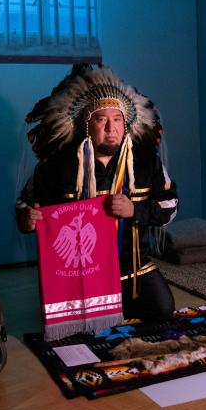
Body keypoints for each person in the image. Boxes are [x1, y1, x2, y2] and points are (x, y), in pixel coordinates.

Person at [16, 64, 178, 322]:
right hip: (81, 272)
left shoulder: (147, 162)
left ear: (127, 123)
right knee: (78, 327)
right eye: (101, 119)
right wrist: (27, 219)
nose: (110, 128)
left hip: (132, 268)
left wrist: (135, 210)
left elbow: (170, 204)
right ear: (86, 124)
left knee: (162, 311)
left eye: (117, 119)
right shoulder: (57, 167)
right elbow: (25, 203)